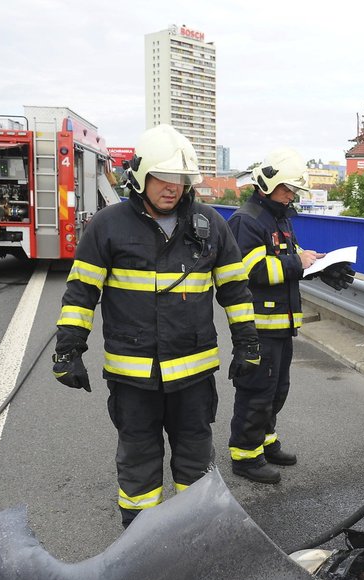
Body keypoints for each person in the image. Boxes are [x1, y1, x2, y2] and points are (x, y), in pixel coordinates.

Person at [52, 124, 261, 528]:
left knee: (196, 459)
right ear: (140, 176)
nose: (173, 188)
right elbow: (81, 292)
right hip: (133, 377)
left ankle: (193, 536)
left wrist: (248, 343)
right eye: (163, 178)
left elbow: (236, 289)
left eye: (180, 180)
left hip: (194, 375)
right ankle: (140, 542)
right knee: (138, 460)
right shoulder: (108, 226)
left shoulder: (211, 225)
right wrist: (69, 348)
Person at [227, 147, 355, 484]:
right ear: (267, 185)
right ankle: (245, 455)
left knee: (276, 389)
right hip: (259, 326)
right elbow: (248, 269)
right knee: (256, 391)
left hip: (281, 323)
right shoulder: (248, 220)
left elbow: (290, 256)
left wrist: (316, 265)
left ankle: (265, 442)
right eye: (286, 189)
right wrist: (297, 264)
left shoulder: (279, 217)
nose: (290, 196)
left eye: (293, 191)